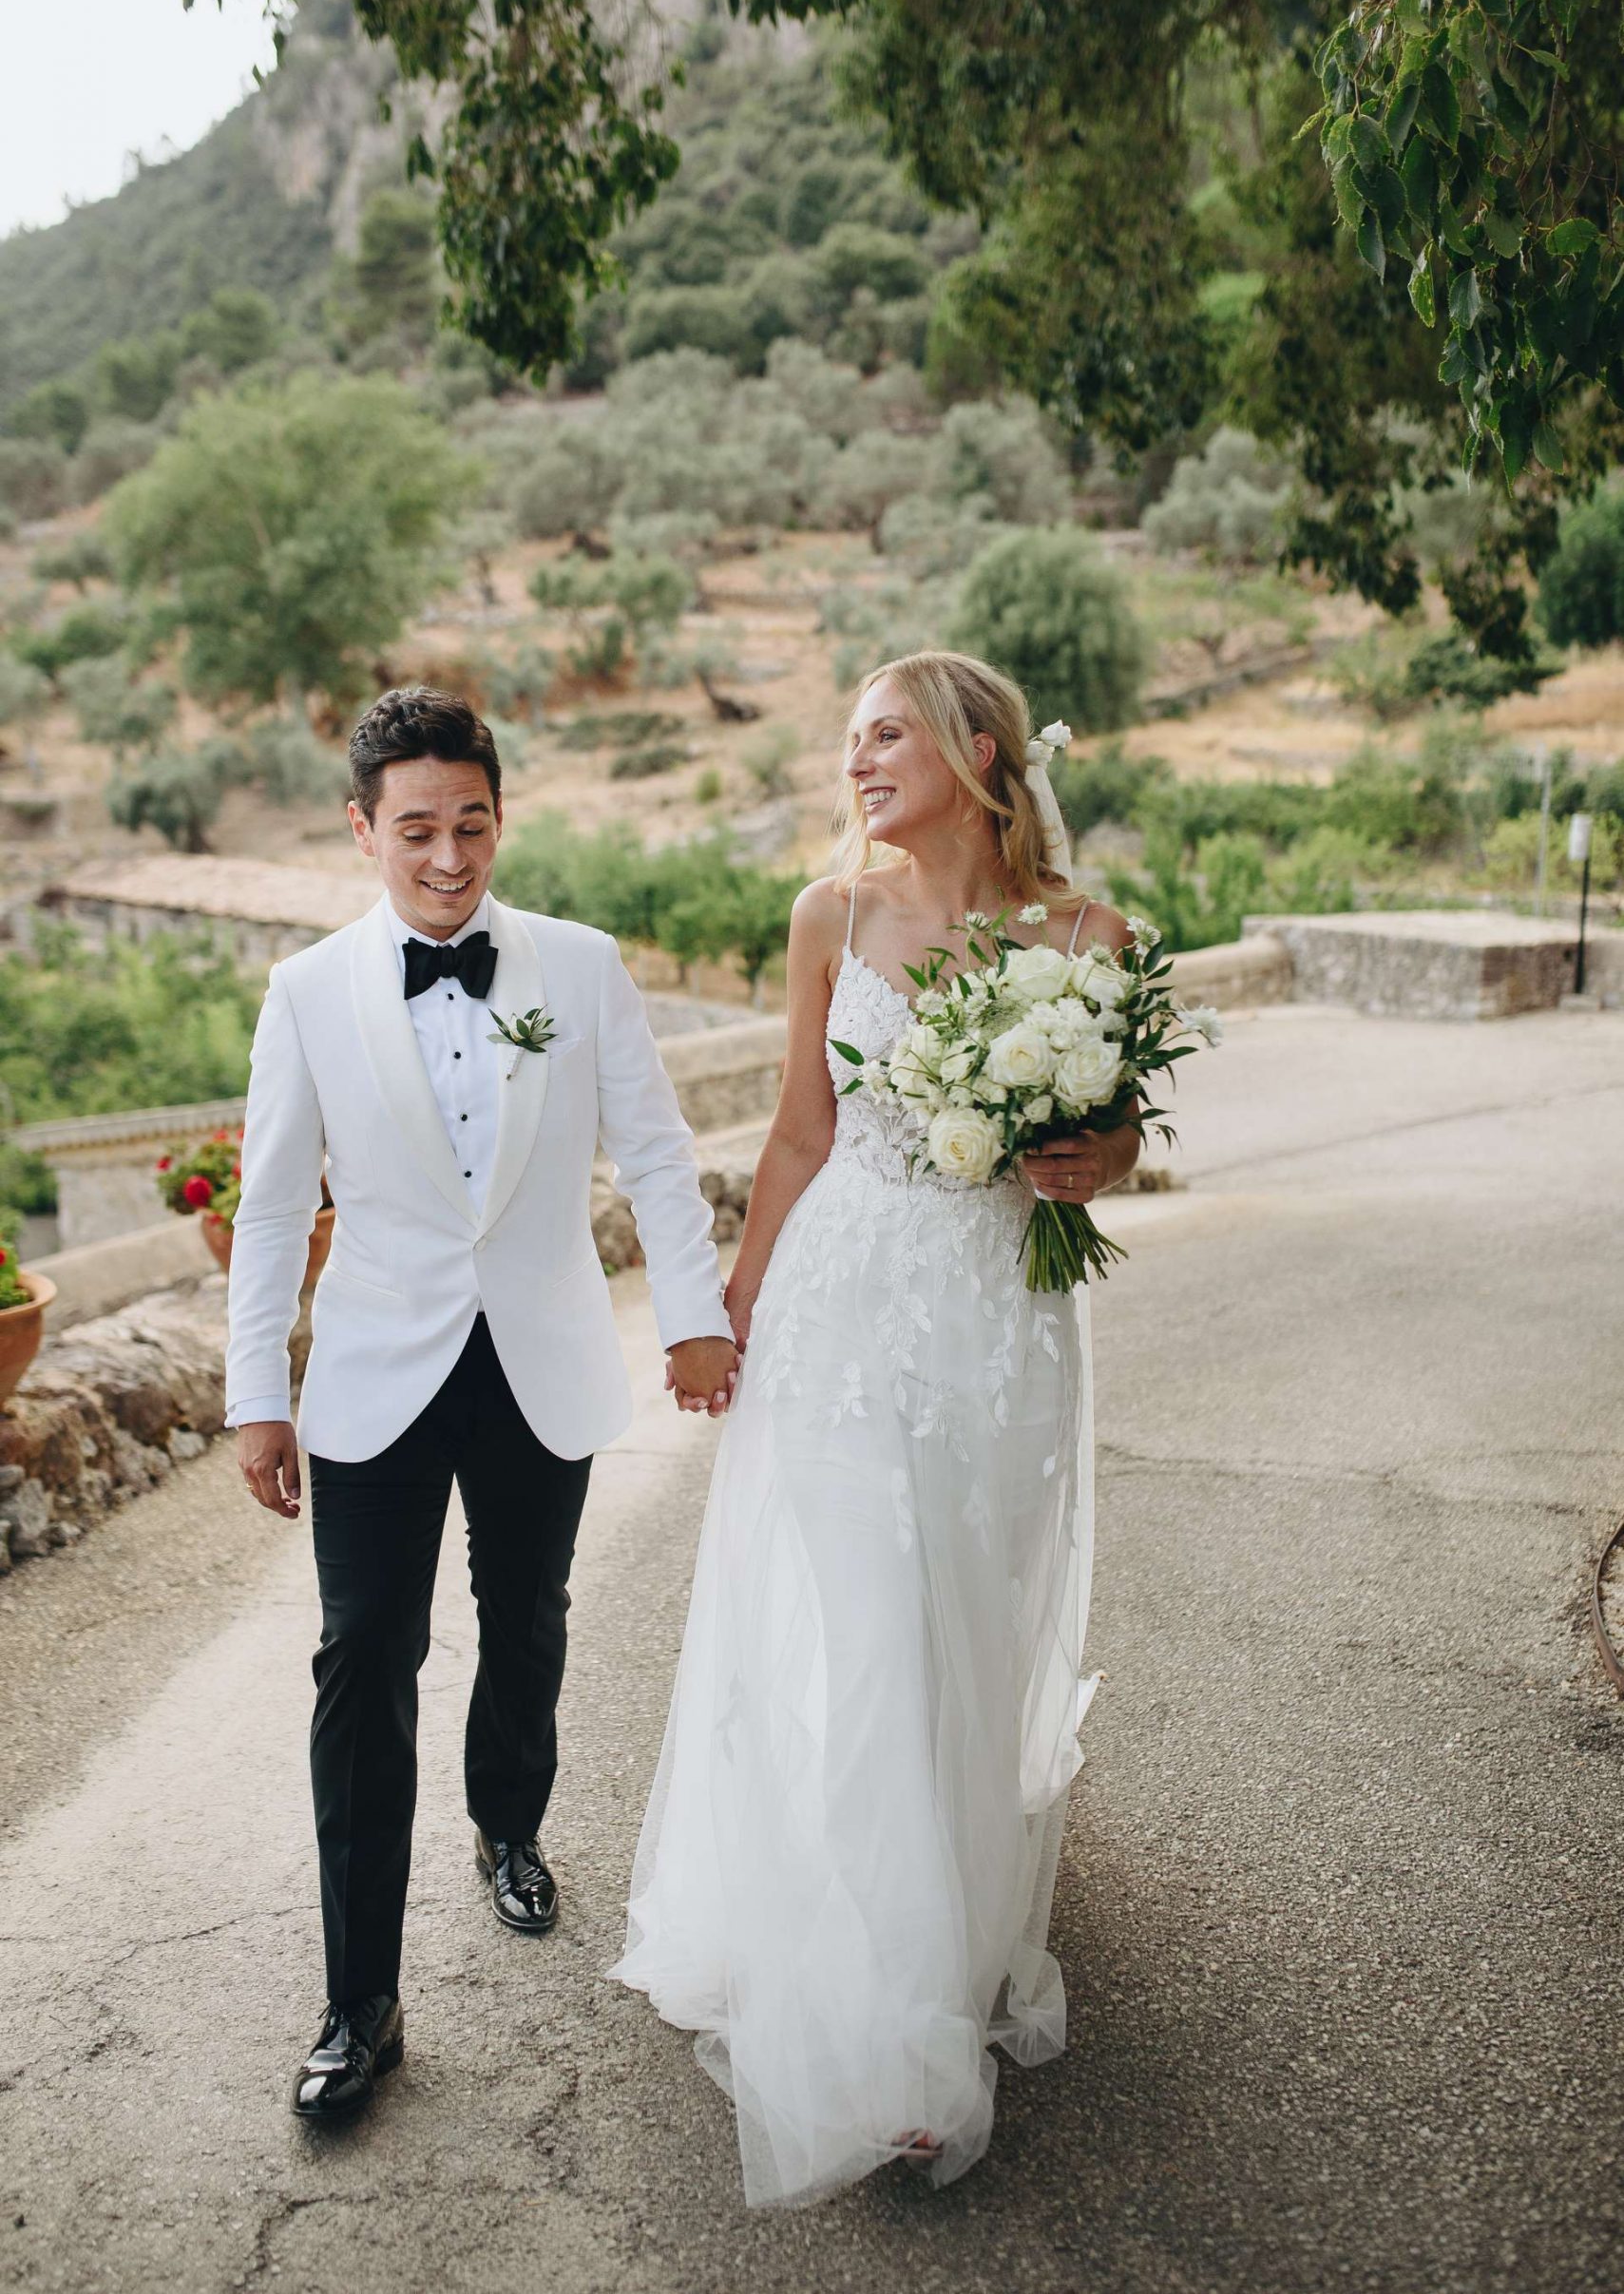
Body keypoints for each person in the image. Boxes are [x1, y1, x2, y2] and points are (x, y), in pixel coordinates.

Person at [612, 650, 1140, 2207]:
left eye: (884, 733)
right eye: (848, 741)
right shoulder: (825, 917)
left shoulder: (1087, 937)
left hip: (997, 1322)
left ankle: (954, 1914)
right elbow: (795, 1131)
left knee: (963, 1627)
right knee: (869, 1635)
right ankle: (894, 2032)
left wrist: (1093, 1155)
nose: (856, 762)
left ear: (978, 749)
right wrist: (726, 1312)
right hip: (840, 1315)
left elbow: (1109, 1136)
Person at [226, 686, 738, 2120]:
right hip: (376, 1374)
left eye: (471, 824)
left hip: (538, 1355)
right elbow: (270, 1213)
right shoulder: (308, 989)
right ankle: (359, 2002)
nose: (447, 858)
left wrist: (693, 1320)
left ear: (500, 815)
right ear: (361, 828)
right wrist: (253, 1394)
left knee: (527, 1620)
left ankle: (507, 1827)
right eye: (415, 831)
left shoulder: (579, 966)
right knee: (360, 1660)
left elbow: (653, 1150)